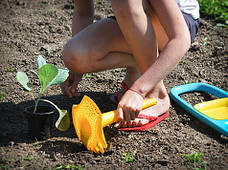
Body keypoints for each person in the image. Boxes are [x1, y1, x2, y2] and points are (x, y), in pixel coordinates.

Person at [61, 0, 200, 128]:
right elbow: (83, 13)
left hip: (176, 22)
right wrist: (77, 70)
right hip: (133, 17)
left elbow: (181, 37)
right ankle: (140, 67)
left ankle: (156, 94)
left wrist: (139, 91)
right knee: (75, 55)